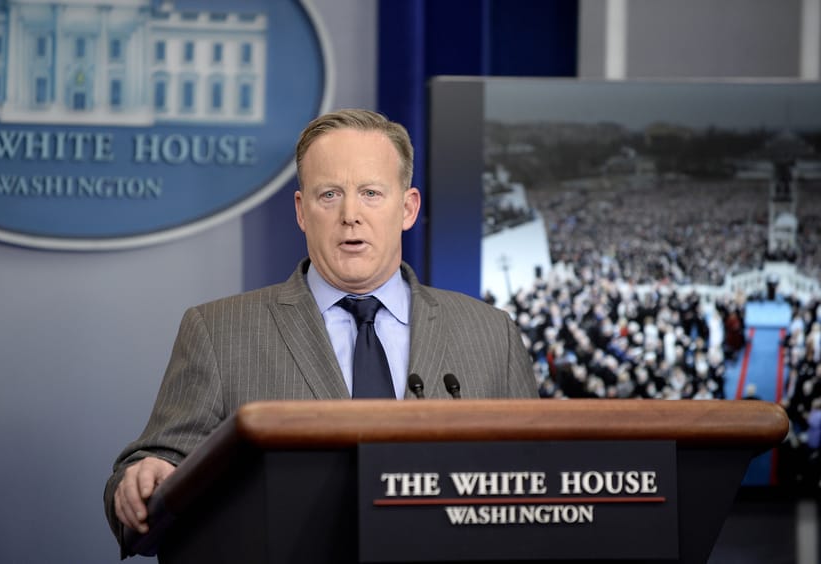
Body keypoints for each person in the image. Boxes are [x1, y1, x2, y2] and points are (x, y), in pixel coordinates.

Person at [103, 109, 539, 545]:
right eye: (329, 195)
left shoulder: (491, 333)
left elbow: (540, 483)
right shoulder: (219, 332)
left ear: (408, 208)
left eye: (371, 193)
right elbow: (152, 472)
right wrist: (143, 479)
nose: (350, 214)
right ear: (301, 211)